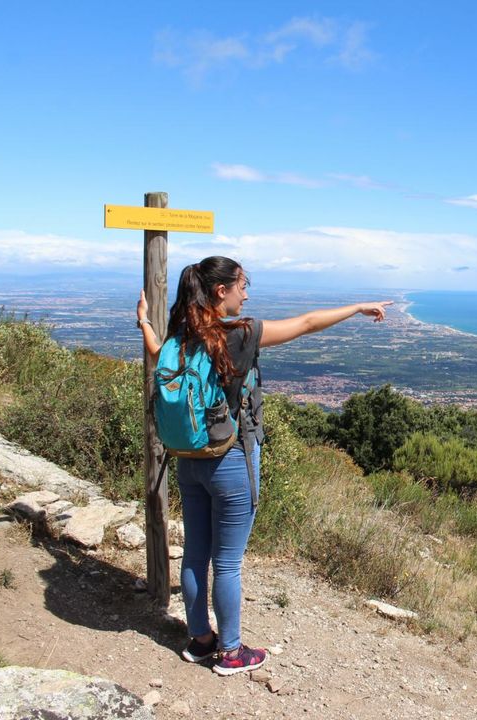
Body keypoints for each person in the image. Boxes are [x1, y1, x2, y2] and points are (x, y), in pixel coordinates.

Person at [136, 256, 391, 676]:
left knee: (197, 553)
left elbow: (155, 352)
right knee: (229, 562)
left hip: (189, 460)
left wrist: (144, 322)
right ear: (222, 291)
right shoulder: (239, 334)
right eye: (242, 285)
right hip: (231, 462)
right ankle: (231, 652)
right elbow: (307, 323)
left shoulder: (182, 334)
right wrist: (356, 308)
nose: (246, 293)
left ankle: (201, 641)